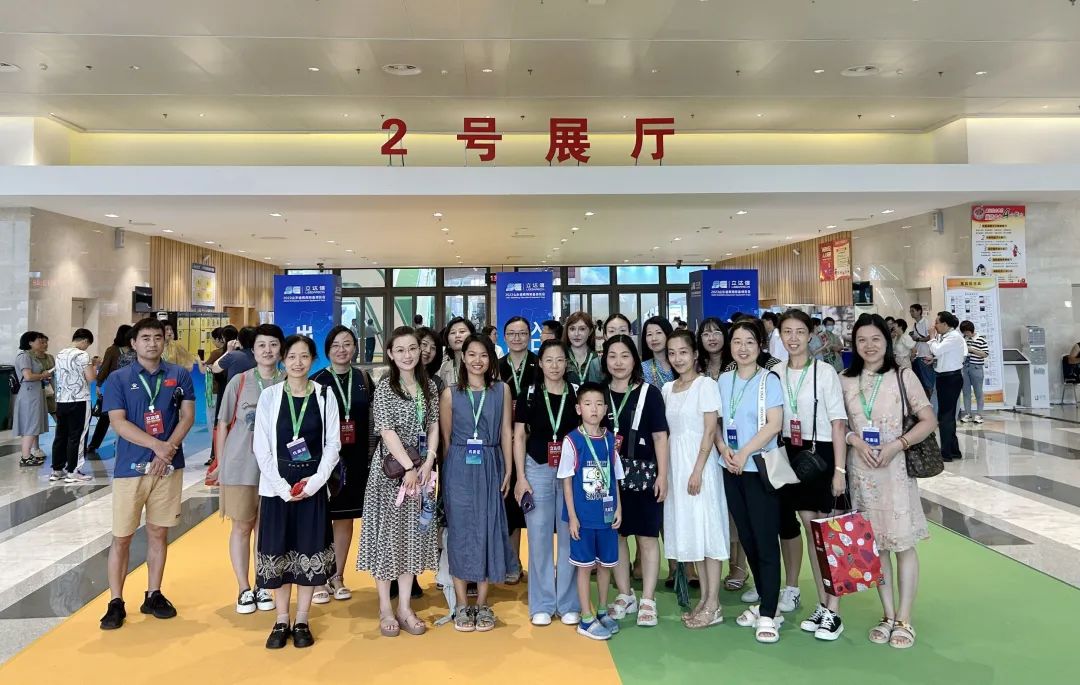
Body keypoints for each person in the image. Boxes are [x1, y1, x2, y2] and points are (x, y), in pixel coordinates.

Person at [841, 314, 937, 649]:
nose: (869, 346)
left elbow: (928, 419)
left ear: (887, 341)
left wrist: (898, 445)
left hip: (895, 472)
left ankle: (904, 619)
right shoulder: (845, 380)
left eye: (875, 339)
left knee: (902, 544)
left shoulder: (903, 376)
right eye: (862, 340)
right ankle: (887, 614)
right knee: (876, 545)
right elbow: (839, 426)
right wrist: (855, 441)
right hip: (861, 472)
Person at [99, 318, 196, 630]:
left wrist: (168, 450)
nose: (152, 343)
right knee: (122, 537)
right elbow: (118, 422)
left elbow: (187, 415)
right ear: (133, 343)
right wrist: (157, 446)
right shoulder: (118, 378)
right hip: (131, 468)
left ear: (164, 341)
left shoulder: (179, 374)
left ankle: (154, 594)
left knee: (158, 533)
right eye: (145, 338)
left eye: (157, 337)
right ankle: (116, 601)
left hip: (167, 467)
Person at [252, 335, 341, 649]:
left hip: (312, 486)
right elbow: (261, 447)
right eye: (291, 356)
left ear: (313, 359)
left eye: (304, 356)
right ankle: (281, 620)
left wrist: (313, 484)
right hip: (277, 487)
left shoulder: (325, 395)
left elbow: (333, 444)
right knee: (278, 551)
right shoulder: (270, 396)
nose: (298, 362)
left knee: (308, 550)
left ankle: (302, 619)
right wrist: (282, 488)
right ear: (283, 360)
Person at [357, 326, 440, 638]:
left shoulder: (428, 385)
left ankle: (405, 607)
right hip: (391, 475)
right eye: (401, 350)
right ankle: (385, 608)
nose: (408, 355)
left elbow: (433, 425)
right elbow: (386, 431)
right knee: (388, 539)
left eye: (413, 349)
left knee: (411, 539)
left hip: (421, 473)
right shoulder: (384, 387)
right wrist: (408, 466)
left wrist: (428, 461)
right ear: (390, 354)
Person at [775, 311, 849, 640]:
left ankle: (834, 610)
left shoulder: (825, 372)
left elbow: (838, 423)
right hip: (790, 453)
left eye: (800, 332)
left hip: (820, 453)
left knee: (825, 534)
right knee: (809, 531)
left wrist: (839, 470)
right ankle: (822, 604)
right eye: (787, 332)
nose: (793, 338)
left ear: (811, 335)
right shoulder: (775, 372)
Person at [440, 334, 514, 632]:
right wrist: (447, 476)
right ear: (463, 357)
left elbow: (506, 430)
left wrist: (509, 469)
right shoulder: (450, 394)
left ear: (491, 358)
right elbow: (446, 441)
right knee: (459, 532)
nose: (477, 360)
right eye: (471, 354)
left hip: (491, 463)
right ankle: (461, 604)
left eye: (483, 354)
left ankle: (483, 603)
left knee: (487, 529)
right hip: (458, 468)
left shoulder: (501, 390)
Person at [717, 318, 784, 643]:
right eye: (737, 342)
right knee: (747, 536)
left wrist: (743, 452)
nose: (742, 348)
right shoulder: (723, 379)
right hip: (730, 468)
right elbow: (715, 422)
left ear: (760, 346)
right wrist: (723, 449)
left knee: (765, 539)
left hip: (759, 469)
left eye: (749, 342)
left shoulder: (769, 380)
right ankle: (765, 600)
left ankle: (769, 612)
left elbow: (774, 424)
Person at [216, 324, 285, 616]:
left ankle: (262, 584)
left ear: (281, 349)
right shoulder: (240, 381)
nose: (267, 350)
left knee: (267, 529)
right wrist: (220, 463)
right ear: (253, 350)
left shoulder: (289, 380)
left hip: (279, 471)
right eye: (261, 345)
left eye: (273, 344)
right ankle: (244, 588)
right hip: (241, 466)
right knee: (242, 526)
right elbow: (223, 423)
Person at [663, 329, 729, 630]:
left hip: (700, 468)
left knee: (708, 530)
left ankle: (714, 604)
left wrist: (698, 469)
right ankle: (704, 599)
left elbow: (710, 430)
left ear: (695, 354)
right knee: (693, 533)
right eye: (672, 353)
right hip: (677, 468)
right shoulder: (667, 389)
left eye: (683, 352)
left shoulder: (706, 385)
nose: (678, 358)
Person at [603, 334, 669, 628]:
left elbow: (660, 437)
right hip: (607, 478)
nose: (618, 362)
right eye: (612, 356)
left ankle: (649, 598)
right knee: (616, 536)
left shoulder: (650, 393)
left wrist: (663, 475)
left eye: (625, 356)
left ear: (635, 360)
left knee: (647, 537)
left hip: (644, 475)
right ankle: (625, 594)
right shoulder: (599, 394)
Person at [513, 339, 581, 626]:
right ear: (540, 363)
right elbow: (519, 437)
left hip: (570, 473)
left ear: (567, 363)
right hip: (537, 469)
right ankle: (541, 603)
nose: (554, 366)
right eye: (549, 360)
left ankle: (568, 602)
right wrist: (520, 477)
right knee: (539, 536)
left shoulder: (577, 394)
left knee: (569, 535)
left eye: (560, 360)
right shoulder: (529, 394)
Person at [311, 326, 376, 603]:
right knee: (318, 519)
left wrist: (372, 456)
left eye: (347, 344)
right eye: (336, 345)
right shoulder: (317, 380)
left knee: (345, 518)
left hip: (356, 459)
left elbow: (373, 419)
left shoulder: (363, 378)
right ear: (327, 350)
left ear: (355, 348)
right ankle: (317, 578)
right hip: (325, 462)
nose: (342, 349)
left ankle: (337, 575)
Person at [560, 381, 624, 641]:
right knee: (585, 567)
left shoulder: (610, 440)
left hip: (606, 516)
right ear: (578, 409)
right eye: (587, 404)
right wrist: (572, 517)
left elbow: (615, 477)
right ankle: (586, 618)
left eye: (599, 404)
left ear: (606, 408)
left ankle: (602, 610)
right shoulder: (572, 441)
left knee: (606, 565)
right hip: (583, 518)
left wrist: (619, 507)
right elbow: (566, 480)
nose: (594, 409)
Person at [696, 317, 745, 592]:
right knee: (717, 508)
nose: (712, 337)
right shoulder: (697, 368)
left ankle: (739, 567)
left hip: (737, 444)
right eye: (706, 333)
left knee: (737, 509)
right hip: (707, 443)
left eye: (716, 332)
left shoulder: (737, 366)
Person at [497, 316, 538, 585]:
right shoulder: (497, 367)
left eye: (522, 333)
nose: (517, 338)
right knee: (511, 504)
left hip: (534, 441)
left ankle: (539, 566)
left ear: (529, 336)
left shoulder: (540, 364)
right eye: (512, 333)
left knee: (537, 505)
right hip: (505, 440)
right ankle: (513, 562)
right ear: (505, 337)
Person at [50, 328, 99, 483]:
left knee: (61, 435)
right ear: (85, 340)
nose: (86, 348)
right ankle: (73, 470)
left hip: (61, 400)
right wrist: (95, 367)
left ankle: (57, 469)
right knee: (77, 435)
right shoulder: (82, 355)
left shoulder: (60, 354)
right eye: (87, 344)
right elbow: (91, 378)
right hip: (79, 400)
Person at [87, 324, 134, 454]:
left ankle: (125, 442)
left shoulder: (135, 349)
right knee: (105, 417)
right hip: (115, 389)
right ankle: (94, 445)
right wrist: (99, 384)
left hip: (132, 389)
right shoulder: (112, 350)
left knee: (129, 417)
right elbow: (105, 368)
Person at [930, 311, 965, 461]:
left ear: (945, 324)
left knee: (945, 416)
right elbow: (943, 355)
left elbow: (937, 349)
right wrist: (933, 360)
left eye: (937, 322)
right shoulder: (947, 337)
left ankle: (946, 453)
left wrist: (932, 338)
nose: (935, 325)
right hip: (945, 377)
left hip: (950, 378)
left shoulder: (954, 337)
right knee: (947, 416)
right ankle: (953, 450)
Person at [13, 331, 50, 467]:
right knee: (30, 425)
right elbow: (27, 376)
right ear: (30, 342)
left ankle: (27, 454)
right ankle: (25, 456)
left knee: (32, 425)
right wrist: (43, 375)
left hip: (34, 393)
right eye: (38, 340)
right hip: (29, 395)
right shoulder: (24, 356)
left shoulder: (31, 356)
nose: (41, 343)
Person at [959, 320, 989, 424]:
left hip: (976, 367)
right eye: (963, 332)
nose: (965, 334)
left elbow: (985, 354)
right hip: (965, 368)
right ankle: (968, 414)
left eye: (966, 332)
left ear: (971, 330)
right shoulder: (964, 340)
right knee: (966, 392)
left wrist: (972, 350)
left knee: (978, 392)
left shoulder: (981, 339)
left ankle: (979, 415)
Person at [438, 317, 476, 389]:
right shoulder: (444, 368)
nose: (457, 335)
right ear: (448, 342)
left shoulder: (481, 362)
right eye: (453, 333)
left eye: (462, 331)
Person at [564, 312, 602, 384]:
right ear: (567, 331)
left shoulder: (596, 358)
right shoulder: (562, 356)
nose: (576, 334)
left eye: (582, 329)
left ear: (590, 331)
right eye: (572, 329)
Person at [641, 316, 676, 389]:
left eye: (659, 333)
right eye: (649, 334)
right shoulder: (642, 368)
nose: (654, 338)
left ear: (668, 334)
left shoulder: (679, 361)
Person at [909, 304, 935, 398]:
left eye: (913, 311)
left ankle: (932, 401)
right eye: (910, 311)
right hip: (917, 355)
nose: (911, 313)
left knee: (928, 381)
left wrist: (918, 339)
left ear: (919, 311)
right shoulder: (915, 324)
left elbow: (930, 337)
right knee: (921, 382)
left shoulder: (926, 322)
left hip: (925, 354)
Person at [417, 327, 446, 393]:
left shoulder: (437, 383)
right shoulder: (399, 377)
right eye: (424, 344)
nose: (428, 350)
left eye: (433, 348)